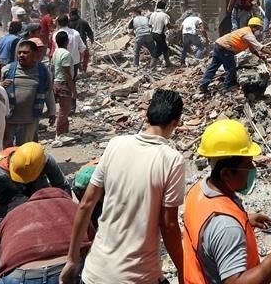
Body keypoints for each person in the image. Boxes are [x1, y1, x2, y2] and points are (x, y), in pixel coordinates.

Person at [62, 90, 186, 284]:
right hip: (138, 277)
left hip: (95, 272)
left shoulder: (115, 145)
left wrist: (72, 259)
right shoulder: (173, 160)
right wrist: (182, 269)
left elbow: (86, 204)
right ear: (176, 121)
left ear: (147, 115)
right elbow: (169, 225)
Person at [182, 119, 271, 284]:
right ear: (226, 173)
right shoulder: (226, 227)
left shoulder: (198, 190)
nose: (252, 169)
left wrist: (243, 218)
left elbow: (206, 231)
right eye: (247, 164)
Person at [0, 187, 94, 284]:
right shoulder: (74, 207)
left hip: (20, 277)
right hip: (68, 273)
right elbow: (96, 247)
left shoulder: (11, 215)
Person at [3, 39, 55, 146]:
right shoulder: (8, 70)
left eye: (25, 52)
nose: (21, 55)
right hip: (8, 120)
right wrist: (0, 85)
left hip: (30, 120)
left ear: (35, 54)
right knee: (7, 151)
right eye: (19, 52)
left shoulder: (42, 71)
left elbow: (48, 92)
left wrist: (52, 112)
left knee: (25, 151)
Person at [200, 18, 271, 94]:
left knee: (213, 67)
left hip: (218, 45)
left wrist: (259, 56)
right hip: (225, 48)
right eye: (259, 28)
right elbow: (260, 47)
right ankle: (225, 87)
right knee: (231, 69)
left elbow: (252, 49)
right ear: (254, 27)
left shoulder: (245, 30)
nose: (259, 31)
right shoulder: (248, 35)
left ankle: (203, 85)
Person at [53, 31, 75, 136]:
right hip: (63, 84)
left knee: (64, 109)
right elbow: (67, 74)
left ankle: (65, 131)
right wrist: (73, 88)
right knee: (64, 110)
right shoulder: (65, 54)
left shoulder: (56, 52)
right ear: (67, 41)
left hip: (57, 82)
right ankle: (60, 133)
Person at [67, 8, 93, 75]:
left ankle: (73, 70)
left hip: (71, 43)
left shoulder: (68, 23)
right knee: (86, 55)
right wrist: (91, 39)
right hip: (82, 42)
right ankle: (83, 69)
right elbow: (90, 32)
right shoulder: (83, 22)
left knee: (73, 56)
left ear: (70, 14)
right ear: (77, 13)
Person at [149, 0, 173, 69]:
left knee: (165, 49)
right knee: (158, 50)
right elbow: (168, 25)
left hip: (153, 34)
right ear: (164, 7)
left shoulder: (152, 14)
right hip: (160, 35)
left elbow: (150, 25)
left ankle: (168, 63)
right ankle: (152, 66)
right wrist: (174, 26)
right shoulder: (164, 15)